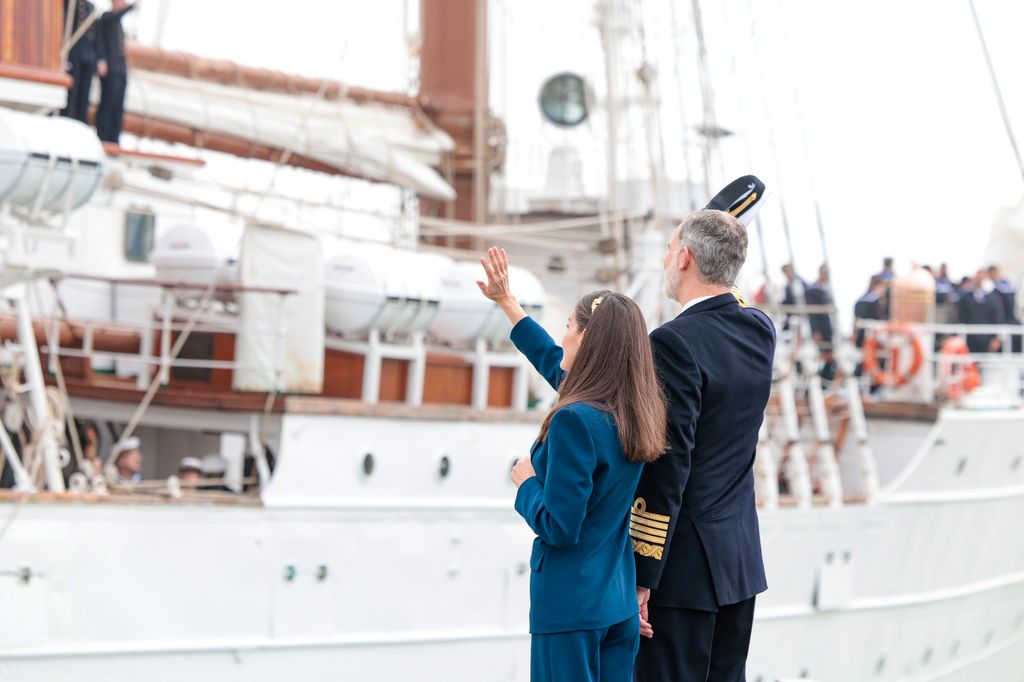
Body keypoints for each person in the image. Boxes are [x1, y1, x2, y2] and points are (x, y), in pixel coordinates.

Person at [476, 247, 667, 682]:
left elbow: (561, 527)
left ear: (587, 341)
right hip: (617, 605)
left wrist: (526, 484)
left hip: (570, 613)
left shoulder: (573, 421)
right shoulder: (634, 411)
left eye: (569, 328)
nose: (563, 337)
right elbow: (551, 360)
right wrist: (508, 303)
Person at [633, 209, 776, 681]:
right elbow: (733, 298)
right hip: (738, 566)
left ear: (686, 258)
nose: (665, 258)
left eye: (670, 249)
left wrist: (641, 576)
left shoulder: (673, 343)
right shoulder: (760, 330)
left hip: (683, 575)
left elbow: (667, 466)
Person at [96, 0, 138, 144]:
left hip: (120, 70)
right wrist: (131, 7)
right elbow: (117, 15)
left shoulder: (118, 23)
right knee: (107, 105)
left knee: (117, 108)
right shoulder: (107, 17)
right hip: (111, 70)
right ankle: (102, 139)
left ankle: (114, 141)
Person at [61, 0, 102, 123]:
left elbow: (96, 37)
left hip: (88, 58)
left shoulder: (91, 7)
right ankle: (67, 119)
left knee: (84, 95)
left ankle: (80, 121)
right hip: (74, 53)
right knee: (71, 94)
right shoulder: (72, 3)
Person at [957, 273, 1004, 354]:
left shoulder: (992, 298)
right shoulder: (965, 298)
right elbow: (961, 317)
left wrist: (995, 337)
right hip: (969, 337)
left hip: (986, 337)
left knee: (985, 361)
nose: (979, 280)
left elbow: (996, 317)